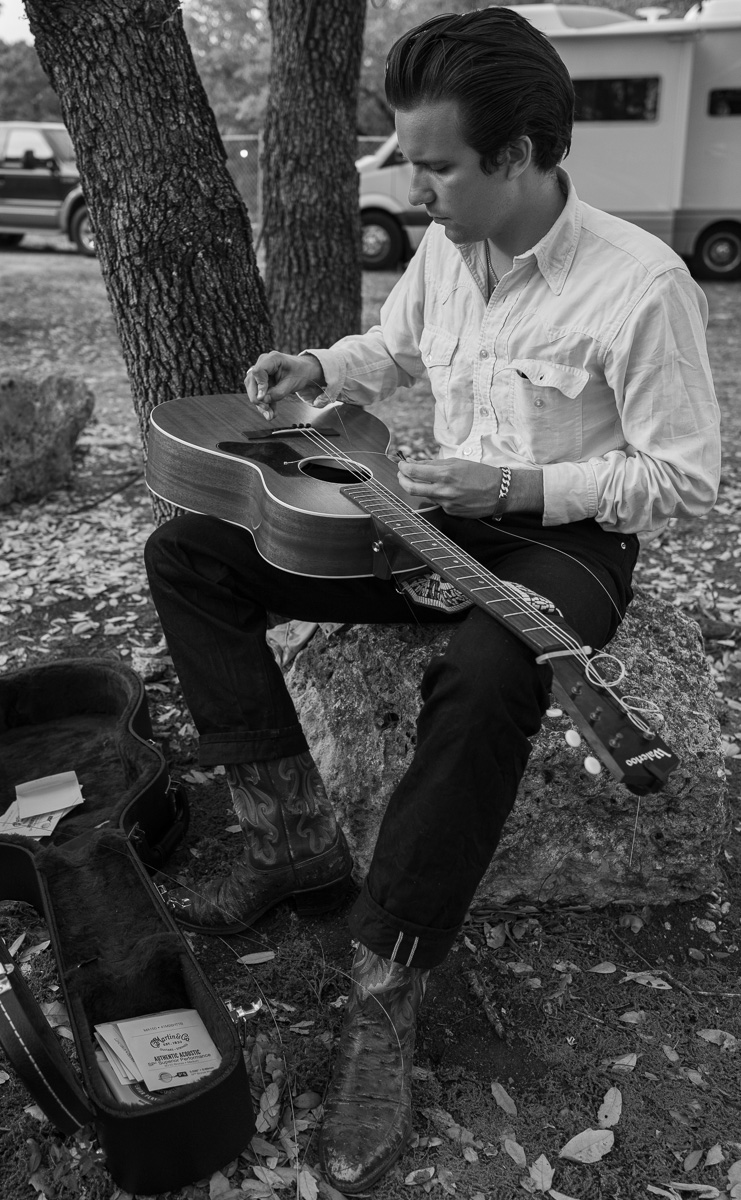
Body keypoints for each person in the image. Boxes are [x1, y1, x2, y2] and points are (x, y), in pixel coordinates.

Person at [144, 7, 721, 1192]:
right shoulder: (450, 254)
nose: (414, 185)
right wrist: (321, 368)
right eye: (411, 157)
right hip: (433, 513)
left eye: (437, 164)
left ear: (518, 155)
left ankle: (387, 982)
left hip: (566, 543)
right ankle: (292, 842)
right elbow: (394, 352)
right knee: (192, 552)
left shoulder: (644, 284)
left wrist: (523, 482)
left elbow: (681, 479)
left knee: (489, 670)